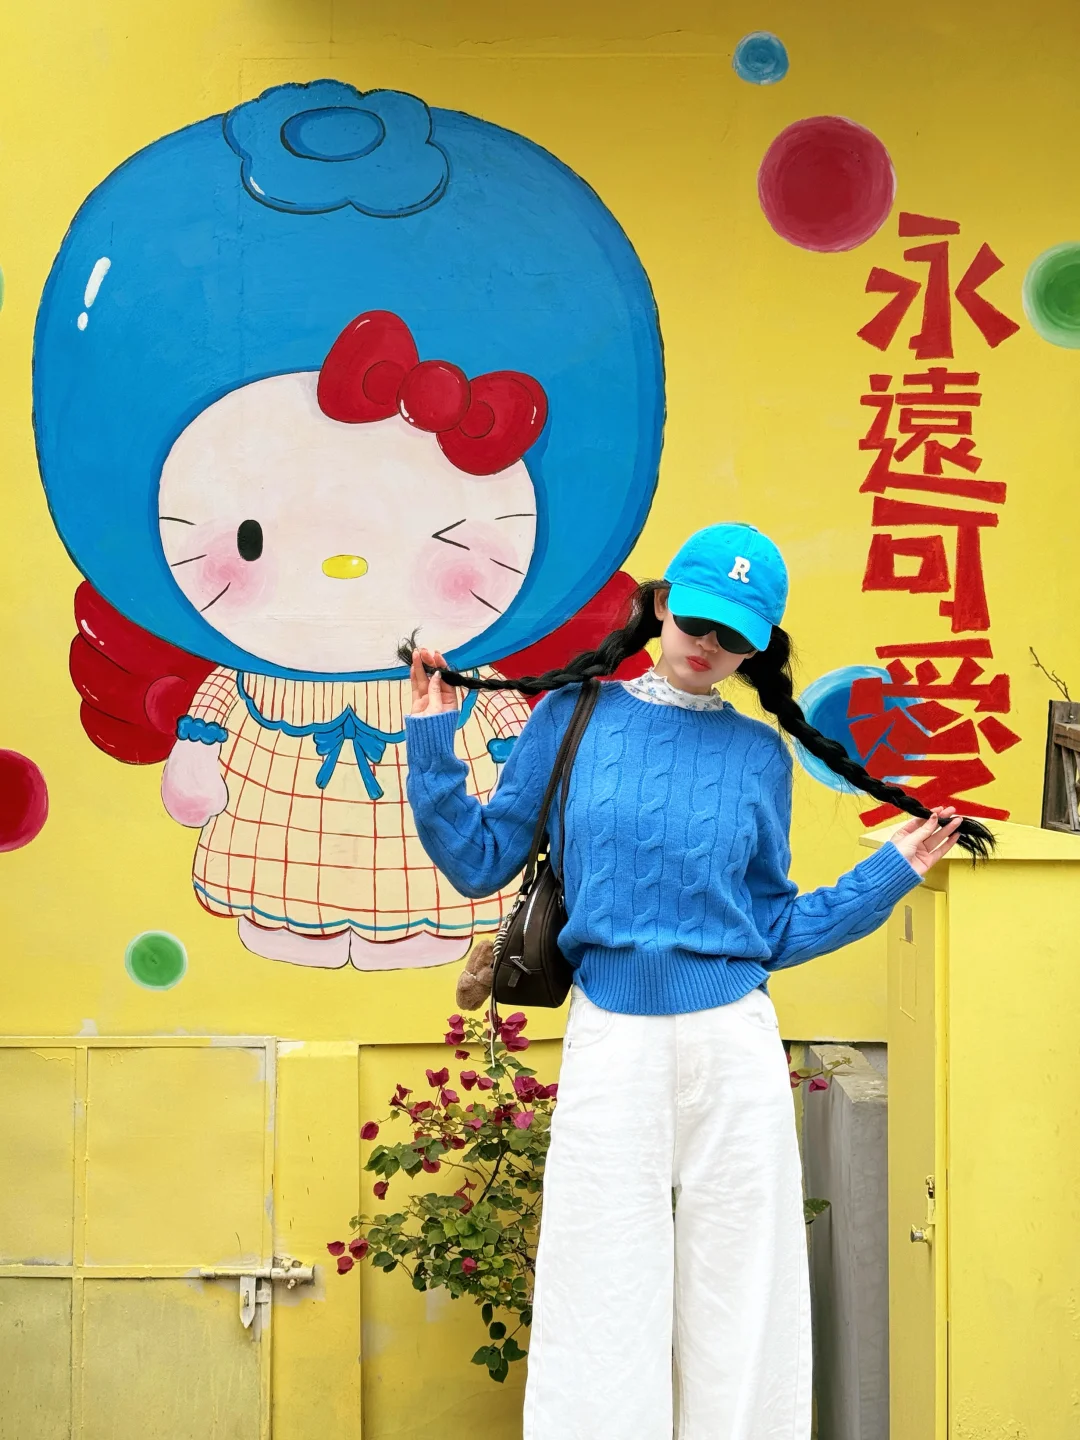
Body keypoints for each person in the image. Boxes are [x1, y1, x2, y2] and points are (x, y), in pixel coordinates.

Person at [401, 522, 991, 1440]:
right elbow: (479, 860)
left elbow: (771, 927)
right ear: (662, 604)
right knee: (598, 1279)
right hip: (612, 1035)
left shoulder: (759, 757)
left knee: (745, 1284)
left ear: (758, 648)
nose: (708, 645)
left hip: (731, 1042)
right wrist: (433, 740)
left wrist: (888, 875)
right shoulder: (573, 716)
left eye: (734, 636)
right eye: (697, 621)